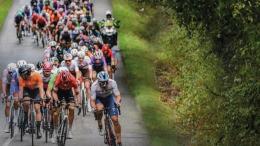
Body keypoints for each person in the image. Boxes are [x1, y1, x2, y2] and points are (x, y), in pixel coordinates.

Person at [90, 71, 122, 145]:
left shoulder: (112, 82)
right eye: (102, 82)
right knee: (99, 109)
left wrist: (117, 103)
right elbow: (92, 100)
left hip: (109, 98)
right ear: (98, 80)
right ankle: (99, 121)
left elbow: (118, 96)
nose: (104, 84)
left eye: (105, 81)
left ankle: (119, 138)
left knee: (115, 119)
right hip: (99, 99)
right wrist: (94, 108)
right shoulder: (94, 85)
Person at [52, 70, 80, 139]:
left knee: (72, 108)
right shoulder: (58, 79)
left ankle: (69, 130)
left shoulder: (72, 79)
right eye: (63, 82)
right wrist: (56, 100)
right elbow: (54, 92)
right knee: (56, 113)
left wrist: (78, 103)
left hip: (68, 92)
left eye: (66, 82)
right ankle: (55, 130)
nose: (64, 83)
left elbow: (77, 93)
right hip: (59, 92)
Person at [18, 65, 44, 139]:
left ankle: (38, 129)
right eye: (21, 75)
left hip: (36, 90)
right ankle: (26, 118)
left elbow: (41, 88)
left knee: (37, 108)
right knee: (26, 102)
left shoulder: (37, 75)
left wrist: (41, 98)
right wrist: (20, 98)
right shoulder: (21, 78)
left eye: (23, 75)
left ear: (28, 73)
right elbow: (21, 89)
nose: (22, 77)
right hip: (27, 90)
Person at [1, 63, 20, 132]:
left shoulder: (17, 72)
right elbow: (3, 83)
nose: (11, 73)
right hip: (8, 86)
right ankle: (7, 122)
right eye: (10, 72)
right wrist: (4, 93)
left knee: (16, 101)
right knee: (8, 105)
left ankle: (16, 114)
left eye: (12, 72)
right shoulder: (5, 72)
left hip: (16, 85)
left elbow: (19, 85)